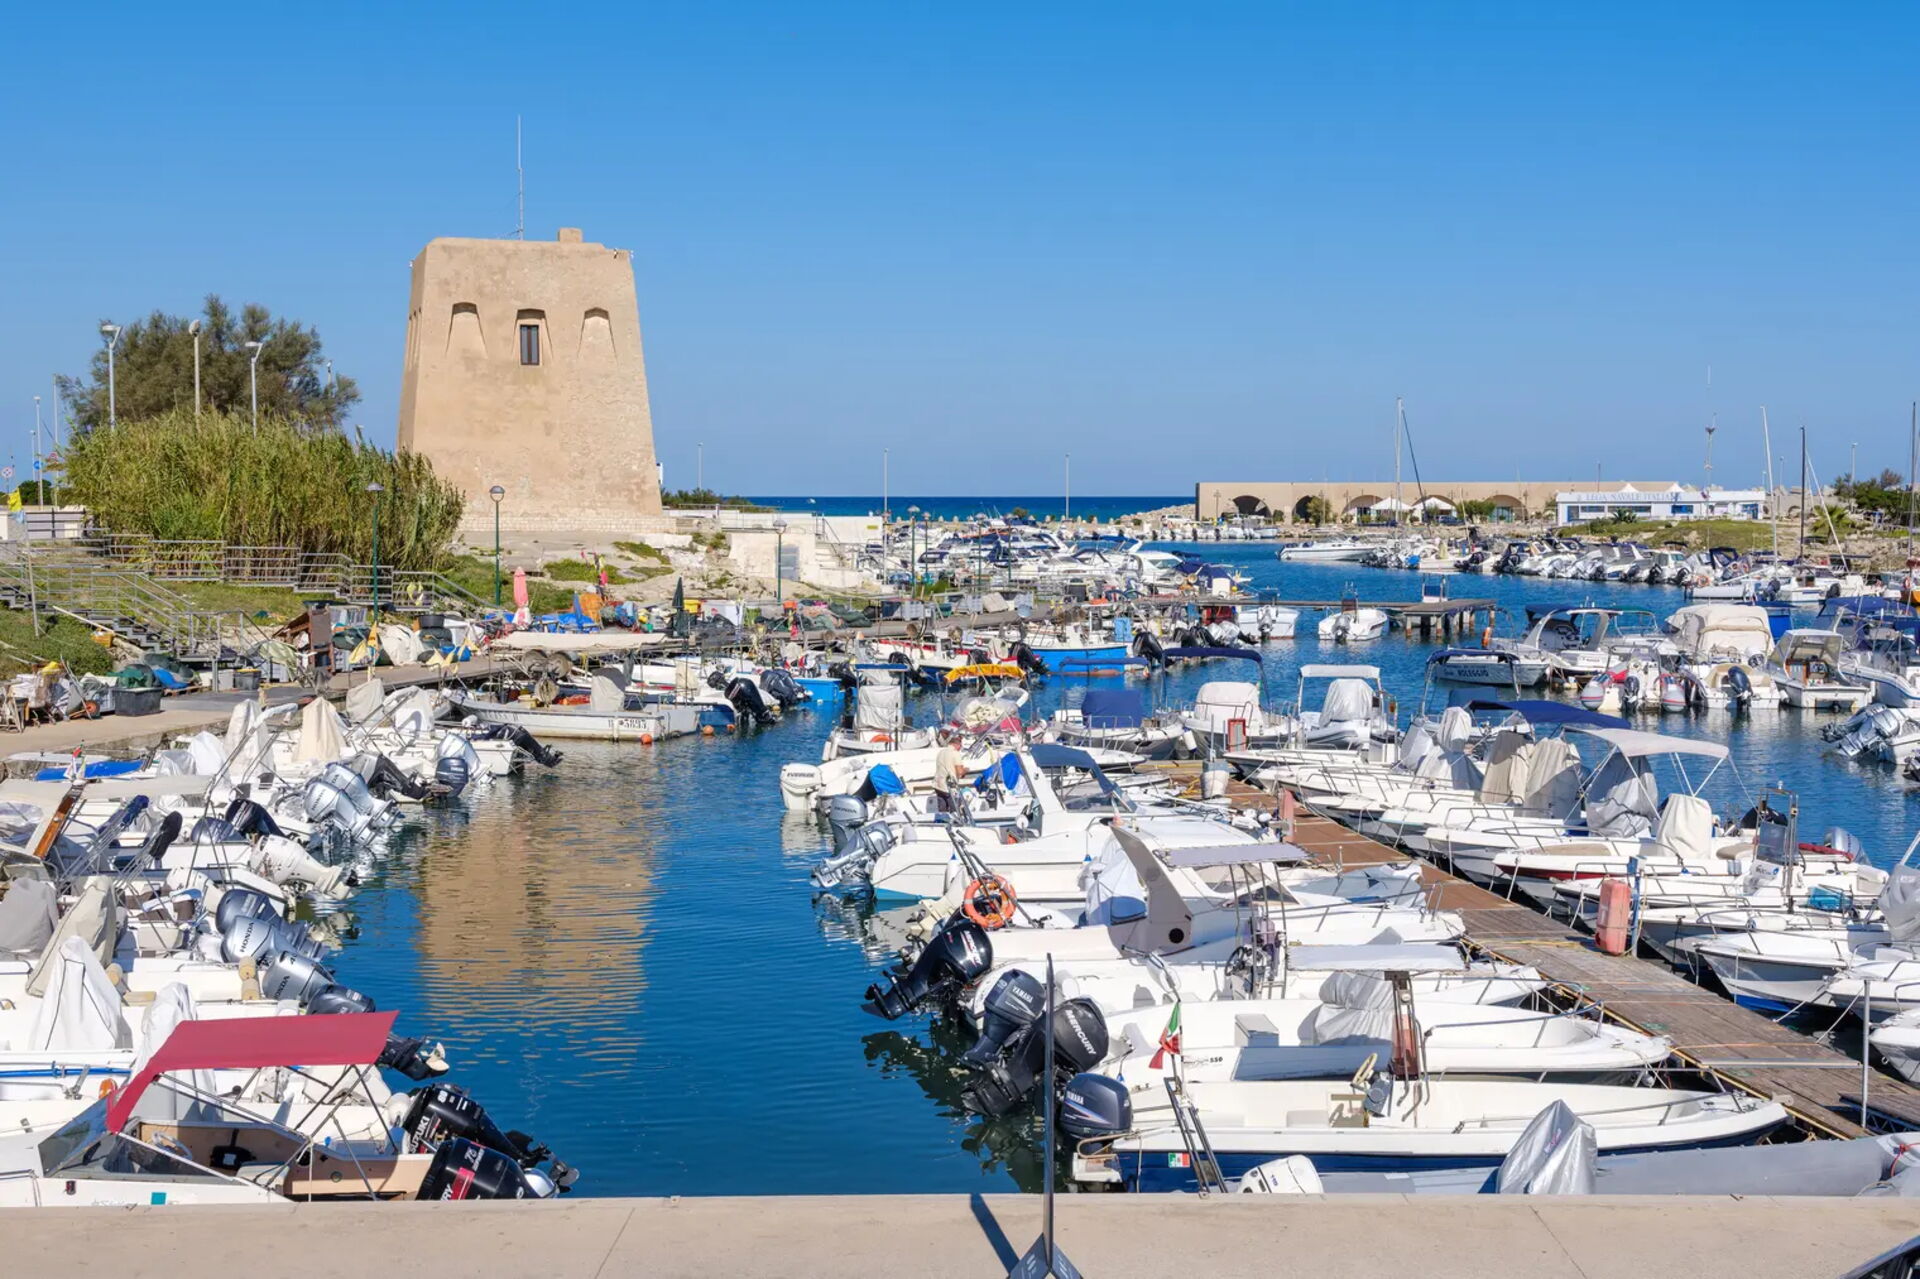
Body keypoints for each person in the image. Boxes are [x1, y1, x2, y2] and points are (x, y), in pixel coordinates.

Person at [931, 729, 967, 814]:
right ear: (957, 744)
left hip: (938, 785)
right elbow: (960, 772)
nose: (960, 748)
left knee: (942, 810)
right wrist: (966, 770)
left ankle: (943, 820)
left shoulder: (941, 752)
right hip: (949, 787)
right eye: (960, 745)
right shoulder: (955, 754)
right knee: (955, 810)